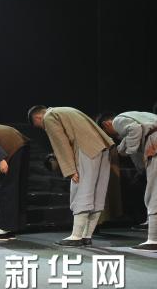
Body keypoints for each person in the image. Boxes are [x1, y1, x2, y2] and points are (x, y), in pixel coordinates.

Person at [28, 105, 114, 247]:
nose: (43, 128)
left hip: (86, 150)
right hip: (102, 149)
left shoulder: (49, 116)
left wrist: (70, 170)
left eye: (39, 126)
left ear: (37, 117)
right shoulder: (67, 110)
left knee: (82, 191)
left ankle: (76, 236)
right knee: (97, 194)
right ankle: (86, 236)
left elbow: (60, 143)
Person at [98, 110, 157, 251]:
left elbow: (134, 130)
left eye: (108, 133)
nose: (113, 135)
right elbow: (131, 136)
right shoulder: (138, 117)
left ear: (106, 124)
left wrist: (131, 150)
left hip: (154, 142)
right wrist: (121, 150)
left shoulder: (118, 120)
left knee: (153, 193)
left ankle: (153, 239)